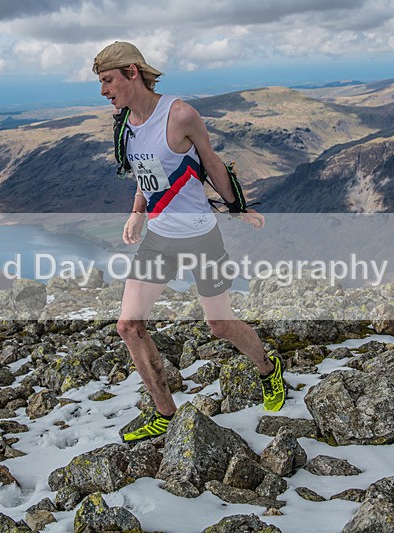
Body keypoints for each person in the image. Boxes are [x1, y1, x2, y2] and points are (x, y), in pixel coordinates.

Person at [93, 41, 285, 442]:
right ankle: (166, 413)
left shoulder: (179, 115)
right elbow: (146, 173)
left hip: (201, 237)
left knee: (220, 325)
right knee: (128, 326)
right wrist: (137, 212)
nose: (103, 91)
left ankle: (268, 370)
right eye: (100, 82)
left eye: (108, 80)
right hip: (160, 239)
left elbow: (211, 162)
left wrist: (238, 208)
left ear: (132, 72)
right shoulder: (125, 124)